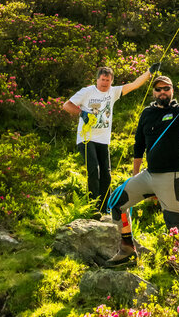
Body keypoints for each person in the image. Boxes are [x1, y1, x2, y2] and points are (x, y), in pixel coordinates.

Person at [107, 67, 179, 266]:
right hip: (148, 175)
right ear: (153, 93)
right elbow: (138, 146)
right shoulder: (147, 113)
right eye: (158, 89)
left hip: (171, 175)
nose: (162, 92)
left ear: (172, 91)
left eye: (166, 88)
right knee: (116, 203)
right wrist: (134, 176)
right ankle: (127, 250)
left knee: (176, 222)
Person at [63, 66, 151, 214]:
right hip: (86, 139)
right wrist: (82, 113)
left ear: (111, 81)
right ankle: (93, 207)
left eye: (108, 80)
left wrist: (150, 72)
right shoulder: (87, 92)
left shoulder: (113, 92)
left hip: (103, 140)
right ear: (97, 80)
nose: (104, 83)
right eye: (102, 80)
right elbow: (66, 105)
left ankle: (104, 209)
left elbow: (135, 84)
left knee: (106, 174)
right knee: (94, 170)